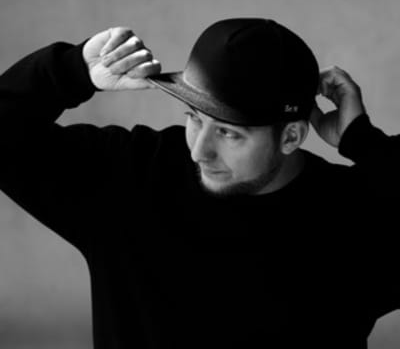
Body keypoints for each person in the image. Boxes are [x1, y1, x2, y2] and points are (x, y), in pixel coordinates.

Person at [0, 18, 398, 349]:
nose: (199, 152)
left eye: (228, 133)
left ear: (291, 135)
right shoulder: (130, 178)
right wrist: (69, 71)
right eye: (193, 117)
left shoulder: (355, 216)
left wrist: (365, 142)